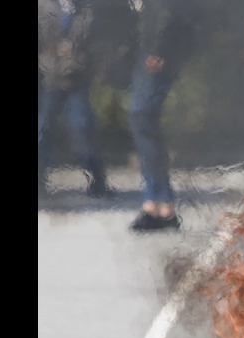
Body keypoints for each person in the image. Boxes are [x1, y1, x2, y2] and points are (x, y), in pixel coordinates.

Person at [125, 0, 199, 233]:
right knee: (143, 122)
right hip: (152, 50)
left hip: (156, 52)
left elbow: (169, 11)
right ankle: (160, 204)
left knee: (141, 117)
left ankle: (158, 204)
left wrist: (160, 49)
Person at [38, 0, 113, 198]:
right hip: (49, 79)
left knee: (83, 127)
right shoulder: (43, 7)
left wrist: (89, 68)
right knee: (42, 131)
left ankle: (97, 180)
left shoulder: (87, 10)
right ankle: (39, 183)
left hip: (76, 79)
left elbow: (98, 44)